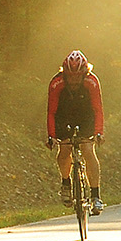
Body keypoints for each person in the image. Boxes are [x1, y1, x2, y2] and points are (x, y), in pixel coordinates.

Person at [46, 50, 104, 213]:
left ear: (84, 73)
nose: (73, 80)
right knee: (64, 150)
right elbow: (51, 112)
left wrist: (99, 132)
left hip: (85, 115)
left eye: (77, 76)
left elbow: (98, 109)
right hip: (64, 115)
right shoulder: (56, 83)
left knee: (87, 149)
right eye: (70, 76)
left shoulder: (92, 81)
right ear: (64, 73)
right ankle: (66, 183)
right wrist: (51, 135)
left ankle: (95, 195)